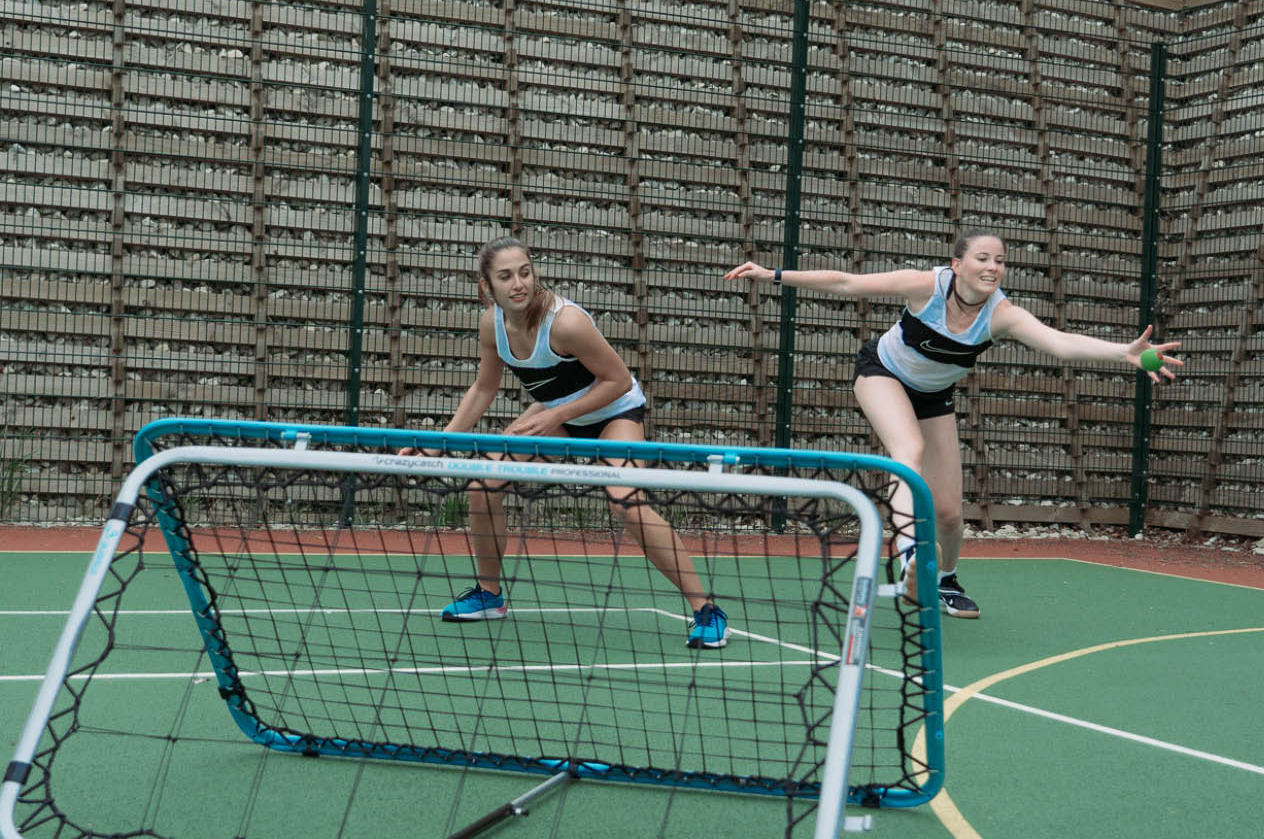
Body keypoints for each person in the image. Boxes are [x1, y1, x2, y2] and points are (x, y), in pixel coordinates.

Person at [725, 233, 1182, 619]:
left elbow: (1059, 345)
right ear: (957, 263)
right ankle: (911, 557)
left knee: (948, 514)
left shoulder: (1001, 316)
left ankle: (943, 578)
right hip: (881, 374)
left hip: (933, 397)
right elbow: (847, 282)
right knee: (908, 452)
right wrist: (773, 275)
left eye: (1000, 261)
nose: (993, 267)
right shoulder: (925, 286)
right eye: (983, 258)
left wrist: (1123, 352)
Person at [432, 236, 729, 649]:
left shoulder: (565, 322)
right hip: (558, 415)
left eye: (524, 272)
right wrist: (437, 442)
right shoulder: (492, 324)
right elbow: (484, 388)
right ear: (487, 287)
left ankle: (707, 610)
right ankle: (489, 595)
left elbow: (619, 381)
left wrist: (552, 415)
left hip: (614, 414)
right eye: (505, 276)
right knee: (483, 485)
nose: (519, 283)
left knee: (627, 504)